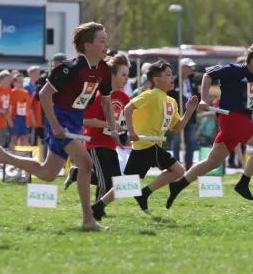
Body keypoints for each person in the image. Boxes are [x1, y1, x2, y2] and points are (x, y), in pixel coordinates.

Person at [0, 22, 120, 231]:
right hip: (59, 118)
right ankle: (88, 219)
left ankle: (4, 156)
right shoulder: (69, 68)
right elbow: (44, 95)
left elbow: (106, 103)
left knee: (48, 174)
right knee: (85, 163)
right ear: (87, 45)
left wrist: (114, 129)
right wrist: (55, 125)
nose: (106, 45)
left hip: (74, 120)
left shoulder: (104, 71)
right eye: (101, 40)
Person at [166, 43, 253, 208]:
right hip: (230, 117)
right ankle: (243, 183)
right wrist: (203, 98)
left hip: (239, 119)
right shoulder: (234, 70)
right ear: (252, 61)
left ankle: (178, 185)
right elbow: (207, 75)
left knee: (213, 162)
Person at [91, 60, 198, 219]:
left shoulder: (172, 102)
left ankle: (99, 206)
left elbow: (177, 128)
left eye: (171, 74)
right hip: (146, 145)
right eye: (168, 74)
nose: (172, 77)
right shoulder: (151, 94)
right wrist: (132, 131)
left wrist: (189, 112)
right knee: (178, 170)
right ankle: (144, 193)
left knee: (127, 184)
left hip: (151, 145)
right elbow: (128, 108)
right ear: (157, 80)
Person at [64, 54, 131, 213]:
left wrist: (124, 127)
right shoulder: (100, 95)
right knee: (106, 182)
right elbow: (85, 119)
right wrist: (109, 124)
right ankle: (97, 210)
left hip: (111, 144)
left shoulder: (125, 97)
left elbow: (124, 118)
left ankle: (77, 173)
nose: (126, 79)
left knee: (116, 182)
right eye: (123, 75)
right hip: (95, 143)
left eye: (128, 75)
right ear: (112, 75)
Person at [168, 58, 200, 169]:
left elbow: (197, 96)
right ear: (182, 68)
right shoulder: (174, 82)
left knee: (191, 142)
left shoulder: (193, 82)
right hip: (177, 116)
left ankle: (189, 164)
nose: (191, 69)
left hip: (191, 117)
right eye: (188, 67)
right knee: (177, 141)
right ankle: (176, 164)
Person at [9, 71, 33, 147]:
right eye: (19, 81)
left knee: (24, 138)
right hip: (14, 118)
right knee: (14, 138)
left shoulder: (26, 93)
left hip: (24, 118)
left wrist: (29, 121)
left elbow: (29, 107)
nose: (21, 83)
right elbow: (9, 108)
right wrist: (9, 121)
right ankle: (12, 156)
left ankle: (23, 156)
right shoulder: (11, 93)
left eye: (22, 81)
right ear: (14, 82)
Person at [0, 71, 12, 148]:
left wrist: (9, 117)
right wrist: (1, 111)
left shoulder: (9, 89)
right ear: (1, 80)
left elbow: (9, 103)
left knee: (3, 142)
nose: (9, 82)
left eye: (9, 79)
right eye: (7, 79)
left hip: (5, 120)